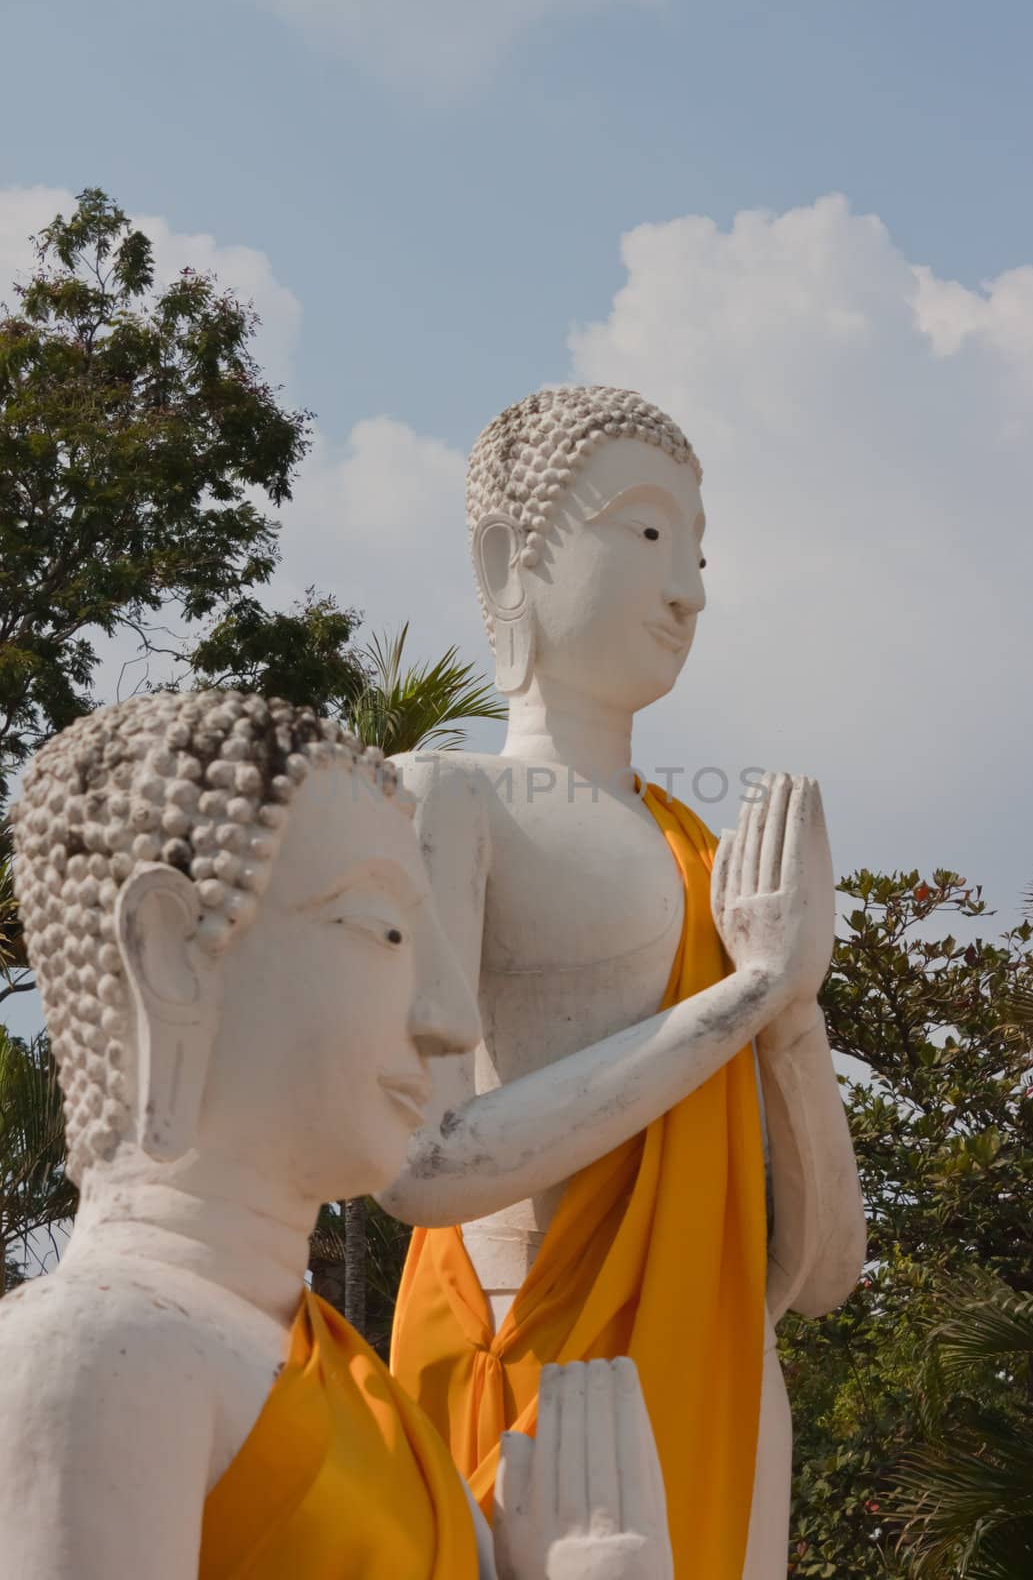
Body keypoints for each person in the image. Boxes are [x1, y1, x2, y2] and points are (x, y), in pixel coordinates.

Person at [0, 690, 672, 1580]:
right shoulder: (99, 1353)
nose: (451, 1021)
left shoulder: (365, 1400)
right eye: (385, 930)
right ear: (168, 956)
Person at [382, 386, 867, 1578]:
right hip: (539, 1361)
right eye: (646, 534)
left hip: (718, 1361)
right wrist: (743, 998)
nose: (688, 589)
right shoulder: (450, 800)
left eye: (696, 552)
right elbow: (419, 1165)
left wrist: (793, 1012)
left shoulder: (707, 854)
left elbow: (823, 1273)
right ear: (507, 562)